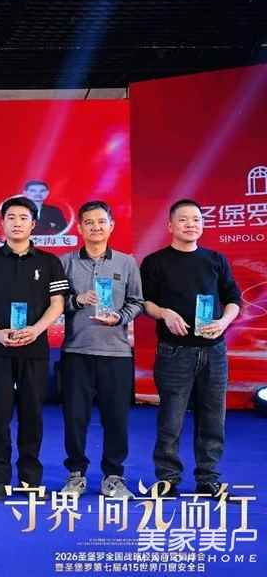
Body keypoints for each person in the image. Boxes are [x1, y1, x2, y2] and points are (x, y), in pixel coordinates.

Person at [141, 198, 241, 497]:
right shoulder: (155, 262)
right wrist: (164, 313)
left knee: (213, 418)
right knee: (170, 419)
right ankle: (168, 478)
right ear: (170, 225)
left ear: (203, 225)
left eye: (196, 219)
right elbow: (144, 302)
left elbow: (233, 299)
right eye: (183, 219)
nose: (190, 224)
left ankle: (208, 478)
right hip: (174, 351)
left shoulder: (215, 260)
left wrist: (223, 322)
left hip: (214, 351)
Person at [0, 196, 68, 500]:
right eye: (10, 217)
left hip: (34, 349)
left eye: (23, 218)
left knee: (32, 416)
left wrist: (36, 330)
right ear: (2, 223)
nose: (16, 223)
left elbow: (57, 304)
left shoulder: (49, 262)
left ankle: (30, 480)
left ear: (33, 224)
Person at [59, 201, 143, 499]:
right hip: (76, 351)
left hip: (116, 354)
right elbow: (53, 303)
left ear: (111, 225)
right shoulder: (65, 262)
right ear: (80, 228)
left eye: (101, 221)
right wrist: (76, 300)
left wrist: (119, 317)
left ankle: (114, 477)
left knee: (116, 418)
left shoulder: (127, 263)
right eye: (89, 222)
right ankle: (76, 474)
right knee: (75, 418)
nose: (96, 227)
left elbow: (137, 302)